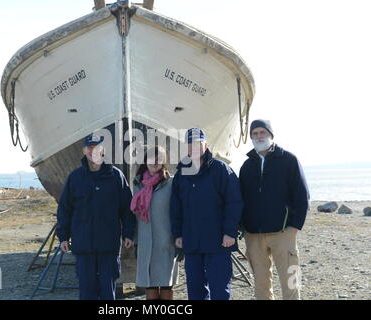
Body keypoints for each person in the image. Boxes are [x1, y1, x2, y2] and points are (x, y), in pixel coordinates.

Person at [56, 133, 135, 300]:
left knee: (107, 291)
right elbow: (65, 209)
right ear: (84, 151)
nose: (94, 152)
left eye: (97, 148)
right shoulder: (75, 178)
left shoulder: (116, 177)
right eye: (90, 148)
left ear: (103, 150)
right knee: (86, 292)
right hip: (84, 247)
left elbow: (126, 208)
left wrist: (128, 233)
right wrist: (63, 236)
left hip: (109, 246)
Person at [239, 119, 310, 300]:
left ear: (271, 135)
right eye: (254, 133)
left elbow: (302, 196)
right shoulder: (246, 166)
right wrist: (244, 227)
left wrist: (294, 227)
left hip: (283, 232)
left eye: (262, 132)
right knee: (261, 285)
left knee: (291, 281)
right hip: (254, 235)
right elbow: (240, 200)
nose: (259, 136)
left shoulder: (289, 160)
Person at [170, 128, 243, 300]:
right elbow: (176, 206)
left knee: (219, 289)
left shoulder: (221, 169)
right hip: (191, 240)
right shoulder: (182, 172)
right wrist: (178, 233)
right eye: (191, 144)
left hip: (218, 241)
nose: (195, 147)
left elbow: (234, 203)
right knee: (195, 290)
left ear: (206, 145)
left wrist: (230, 232)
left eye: (198, 143)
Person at [131, 146, 179, 300]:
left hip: (166, 242)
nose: (155, 162)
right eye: (152, 158)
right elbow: (134, 216)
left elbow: (178, 212)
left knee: (166, 284)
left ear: (164, 162)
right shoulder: (138, 184)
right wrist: (134, 240)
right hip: (145, 243)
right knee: (149, 284)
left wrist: (179, 237)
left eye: (159, 159)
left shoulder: (171, 183)